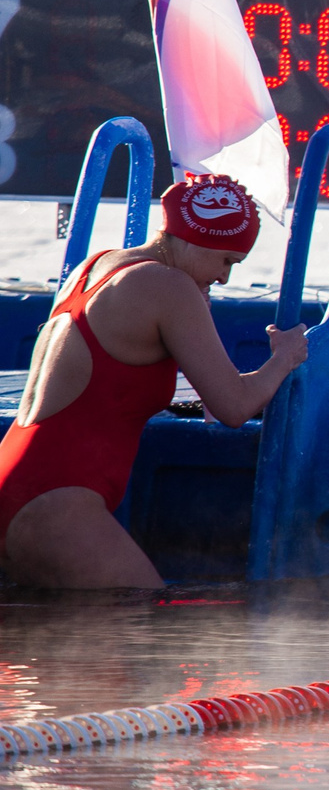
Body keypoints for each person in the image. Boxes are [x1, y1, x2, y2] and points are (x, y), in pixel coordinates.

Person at [0, 174, 306, 588]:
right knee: (143, 624)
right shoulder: (168, 285)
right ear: (200, 238)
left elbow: (212, 401)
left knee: (53, 646)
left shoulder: (98, 266)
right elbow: (233, 407)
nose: (225, 279)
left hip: (19, 479)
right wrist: (284, 358)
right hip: (57, 502)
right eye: (227, 261)